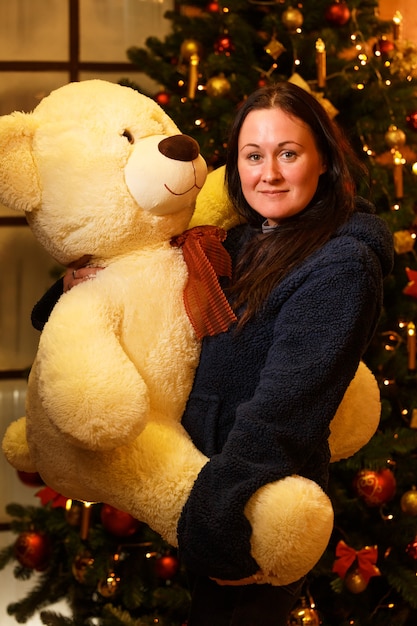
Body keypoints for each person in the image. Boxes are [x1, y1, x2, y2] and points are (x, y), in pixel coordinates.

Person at [31, 81, 394, 626]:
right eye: (253, 156)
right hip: (209, 483)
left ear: (323, 160)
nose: (267, 173)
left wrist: (212, 521)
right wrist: (73, 284)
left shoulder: (341, 265)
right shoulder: (241, 242)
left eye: (288, 153)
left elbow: (285, 413)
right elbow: (141, 286)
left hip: (252, 509)